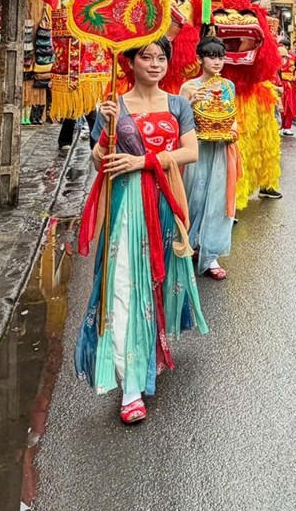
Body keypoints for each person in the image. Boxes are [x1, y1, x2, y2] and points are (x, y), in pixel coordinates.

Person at [74, 37, 208, 425]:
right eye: (146, 57)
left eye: (161, 57)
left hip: (166, 200)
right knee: (123, 284)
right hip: (126, 207)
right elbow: (99, 160)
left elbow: (191, 152)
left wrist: (144, 161)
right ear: (130, 61)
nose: (154, 64)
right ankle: (130, 385)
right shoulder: (114, 106)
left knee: (155, 283)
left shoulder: (178, 105)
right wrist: (106, 131)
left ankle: (149, 347)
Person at [181, 37, 239, 280]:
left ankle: (211, 254)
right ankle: (190, 243)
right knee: (194, 196)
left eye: (221, 57)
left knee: (217, 199)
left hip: (221, 148)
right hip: (197, 148)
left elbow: (232, 115)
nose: (217, 62)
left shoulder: (228, 86)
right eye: (211, 57)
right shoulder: (189, 87)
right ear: (200, 59)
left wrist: (233, 131)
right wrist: (190, 102)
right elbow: (179, 119)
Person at [277, 43, 296, 135]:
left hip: (290, 86)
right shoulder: (275, 59)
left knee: (289, 106)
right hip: (278, 85)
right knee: (279, 106)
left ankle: (287, 127)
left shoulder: (293, 57)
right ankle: (278, 126)